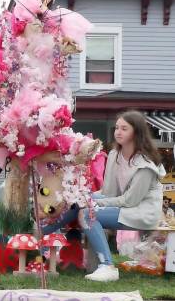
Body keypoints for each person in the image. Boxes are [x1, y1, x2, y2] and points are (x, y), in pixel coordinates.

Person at [43, 110, 165, 282]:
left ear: (136, 132)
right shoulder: (115, 155)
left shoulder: (146, 165)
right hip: (122, 206)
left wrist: (91, 201)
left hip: (141, 212)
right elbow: (109, 191)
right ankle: (37, 234)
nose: (118, 132)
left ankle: (107, 266)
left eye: (124, 128)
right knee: (78, 201)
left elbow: (130, 201)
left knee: (87, 214)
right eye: (117, 128)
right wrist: (85, 196)